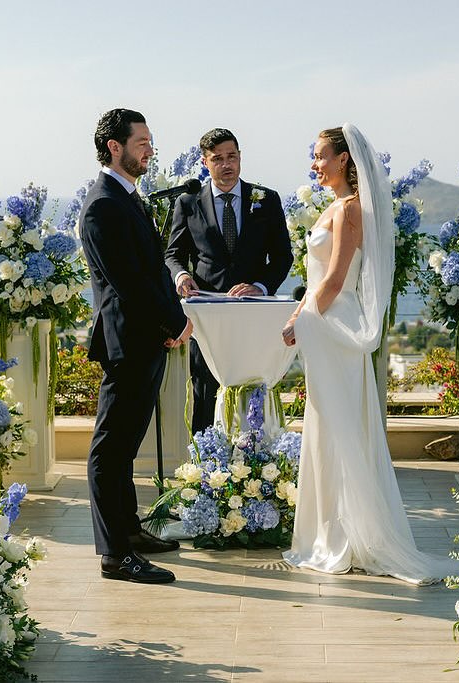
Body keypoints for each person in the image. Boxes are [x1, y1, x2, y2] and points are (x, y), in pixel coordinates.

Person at [279, 125, 459, 584]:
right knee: (325, 426)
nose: (314, 164)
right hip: (321, 323)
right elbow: (316, 277)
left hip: (334, 328)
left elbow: (337, 278)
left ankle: (348, 536)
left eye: (321, 156)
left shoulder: (350, 212)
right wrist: (302, 314)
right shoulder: (333, 207)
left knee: (340, 428)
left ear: (344, 160)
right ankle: (329, 530)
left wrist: (303, 319)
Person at [79, 108, 193, 584]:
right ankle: (113, 553)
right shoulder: (103, 204)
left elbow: (151, 271)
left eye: (150, 140)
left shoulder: (127, 197)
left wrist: (170, 321)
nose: (150, 148)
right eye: (142, 141)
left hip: (146, 340)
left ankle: (130, 531)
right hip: (126, 343)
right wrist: (173, 319)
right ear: (115, 147)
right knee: (110, 447)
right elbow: (127, 281)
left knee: (126, 445)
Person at [164, 128, 293, 433]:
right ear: (205, 162)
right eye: (218, 158)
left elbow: (283, 257)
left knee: (254, 387)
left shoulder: (266, 200)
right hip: (208, 317)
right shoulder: (188, 202)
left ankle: (257, 460)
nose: (226, 164)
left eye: (232, 156)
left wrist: (260, 287)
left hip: (253, 315)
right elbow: (173, 255)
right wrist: (181, 275)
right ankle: (204, 467)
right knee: (205, 390)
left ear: (240, 157)